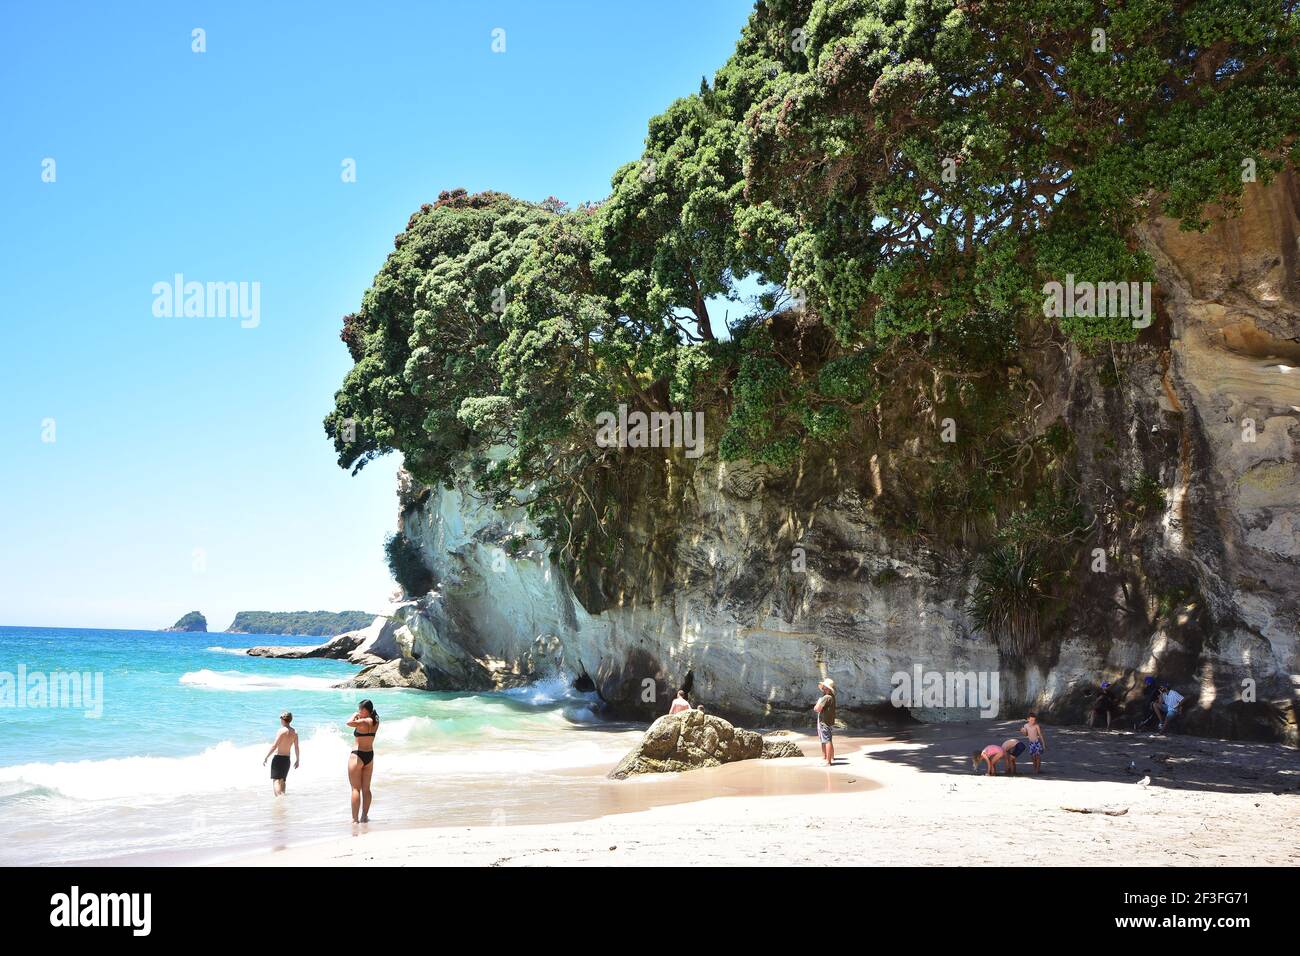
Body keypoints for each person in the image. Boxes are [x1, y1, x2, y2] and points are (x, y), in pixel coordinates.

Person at [346, 700, 379, 823]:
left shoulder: (363, 721)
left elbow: (349, 723)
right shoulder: (376, 721)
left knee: (355, 789)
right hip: (369, 756)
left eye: (361, 709)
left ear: (366, 710)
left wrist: (354, 715)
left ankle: (355, 819)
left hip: (357, 755)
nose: (359, 711)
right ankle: (364, 816)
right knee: (366, 789)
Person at [262, 711, 299, 796]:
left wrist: (266, 757)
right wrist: (297, 760)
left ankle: (280, 799)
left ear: (283, 720)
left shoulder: (281, 731)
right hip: (287, 760)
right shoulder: (295, 732)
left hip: (278, 758)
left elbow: (274, 746)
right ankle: (283, 798)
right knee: (283, 780)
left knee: (276, 780)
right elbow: (296, 747)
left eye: (281, 718)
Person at [813, 678, 836, 766]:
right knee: (829, 739)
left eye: (824, 687)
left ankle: (828, 761)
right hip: (830, 722)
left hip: (824, 722)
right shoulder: (832, 697)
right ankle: (830, 758)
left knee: (826, 740)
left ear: (828, 688)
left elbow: (817, 709)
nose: (823, 689)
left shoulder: (826, 697)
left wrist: (817, 703)